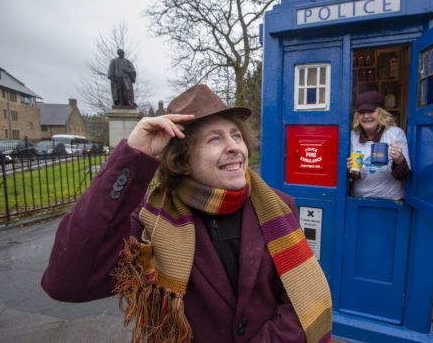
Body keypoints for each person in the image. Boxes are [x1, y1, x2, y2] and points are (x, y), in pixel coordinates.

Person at [41, 84, 332, 343]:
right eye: (215, 139)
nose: (234, 147)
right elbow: (67, 282)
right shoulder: (149, 220)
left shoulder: (280, 207)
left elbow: (301, 297)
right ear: (182, 161)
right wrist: (131, 155)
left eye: (236, 135)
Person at [346, 90, 411, 200]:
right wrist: (351, 171)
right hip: (358, 200)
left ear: (380, 113)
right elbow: (351, 177)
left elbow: (405, 175)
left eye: (371, 111)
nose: (366, 116)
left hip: (390, 201)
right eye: (362, 112)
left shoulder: (395, 134)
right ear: (357, 116)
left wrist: (399, 160)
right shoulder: (352, 136)